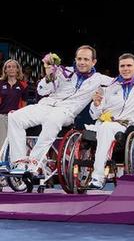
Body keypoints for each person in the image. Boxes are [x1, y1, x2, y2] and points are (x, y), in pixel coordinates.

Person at [8, 46, 113, 174]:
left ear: (93, 62)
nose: (82, 62)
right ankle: (19, 162)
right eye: (79, 58)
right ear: (75, 59)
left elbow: (119, 83)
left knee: (53, 119)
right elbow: (42, 90)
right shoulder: (63, 72)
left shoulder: (99, 79)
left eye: (86, 59)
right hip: (45, 106)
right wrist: (48, 76)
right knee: (14, 117)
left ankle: (33, 161)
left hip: (65, 112)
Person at [85, 53, 134, 188]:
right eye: (122, 66)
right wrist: (96, 104)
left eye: (129, 65)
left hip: (124, 127)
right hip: (102, 124)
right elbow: (94, 114)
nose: (125, 69)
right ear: (118, 68)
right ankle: (92, 173)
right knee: (101, 129)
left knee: (106, 128)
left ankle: (98, 176)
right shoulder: (109, 86)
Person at [0, 60, 28, 164]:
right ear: (5, 70)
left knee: (15, 144)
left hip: (16, 119)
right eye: (8, 67)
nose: (11, 69)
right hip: (2, 117)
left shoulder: (23, 85)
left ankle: (16, 168)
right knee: (2, 144)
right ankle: (1, 172)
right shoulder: (0, 83)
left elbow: (24, 103)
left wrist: (21, 116)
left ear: (17, 70)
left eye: (13, 67)